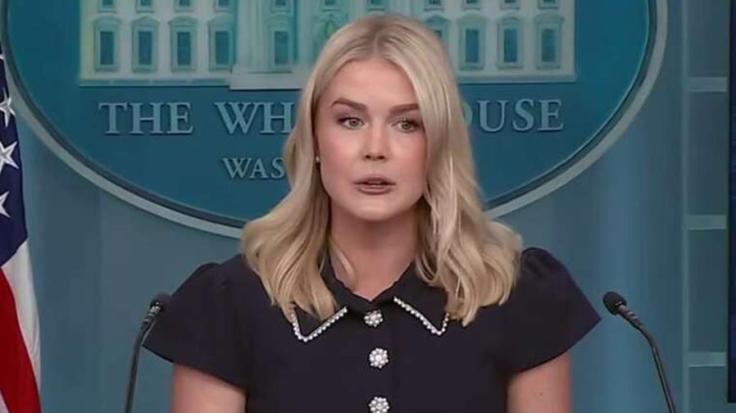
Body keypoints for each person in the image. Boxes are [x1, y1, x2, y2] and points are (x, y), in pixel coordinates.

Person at [144, 14, 600, 413]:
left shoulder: (518, 296)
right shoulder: (228, 304)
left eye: (407, 124)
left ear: (438, 143)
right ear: (314, 140)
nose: (375, 149)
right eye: (350, 121)